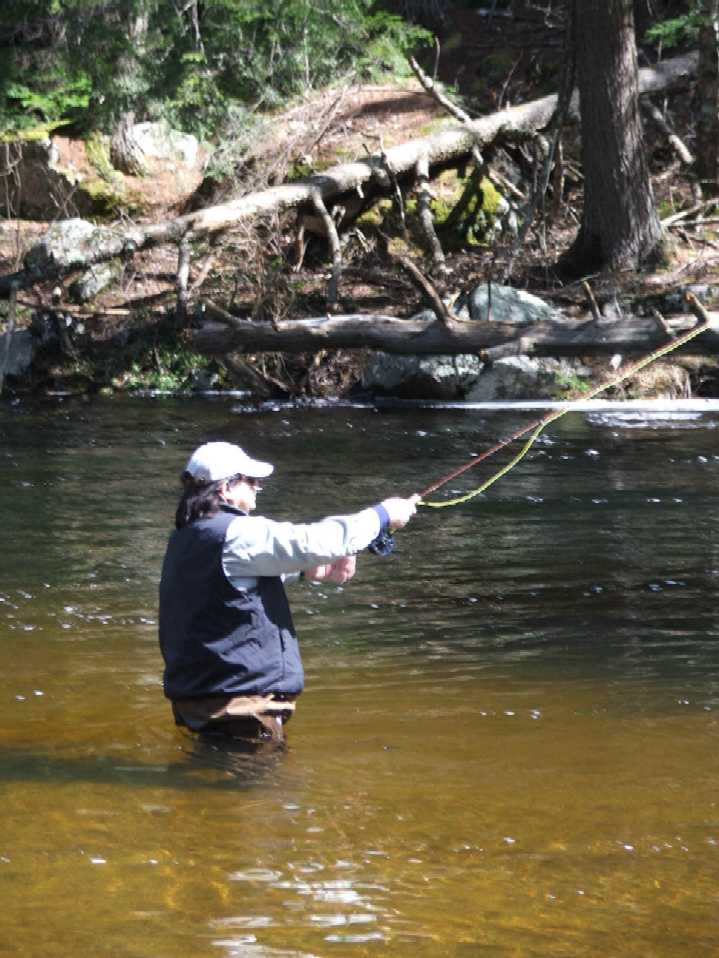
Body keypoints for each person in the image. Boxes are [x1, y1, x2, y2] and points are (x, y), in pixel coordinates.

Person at [159, 441, 419, 746]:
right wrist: (382, 516)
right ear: (225, 489)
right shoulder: (236, 532)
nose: (258, 488)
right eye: (251, 481)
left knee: (215, 788)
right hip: (238, 706)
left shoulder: (187, 538)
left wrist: (306, 571)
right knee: (257, 791)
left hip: (203, 703)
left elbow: (229, 582)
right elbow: (313, 542)